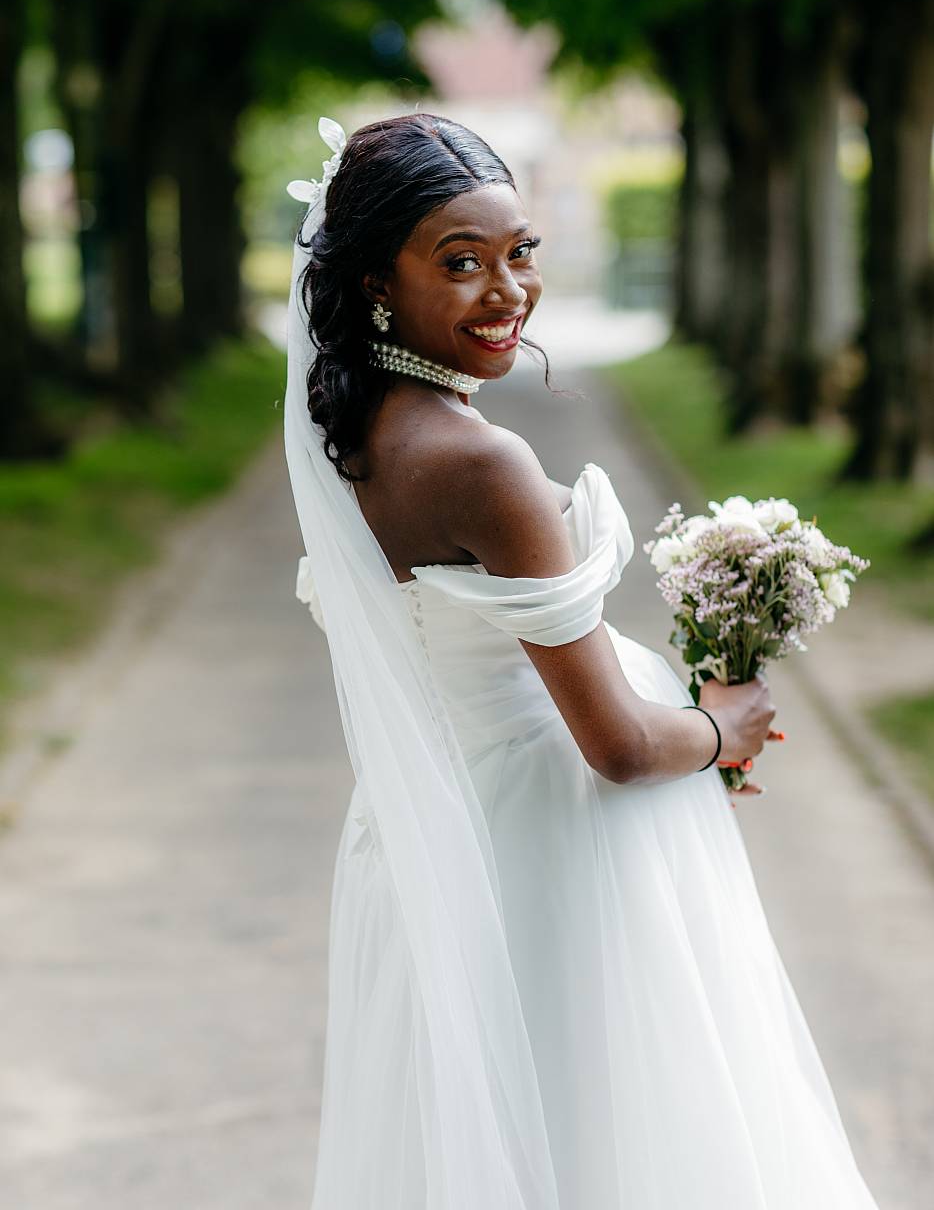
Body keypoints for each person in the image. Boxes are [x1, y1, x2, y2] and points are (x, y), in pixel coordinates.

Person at [283, 112, 880, 1209]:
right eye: (459, 262)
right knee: (609, 1142)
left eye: (521, 252)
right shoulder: (479, 462)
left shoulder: (359, 435)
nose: (506, 288)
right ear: (376, 282)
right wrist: (720, 726)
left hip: (428, 840)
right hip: (546, 852)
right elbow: (611, 742)